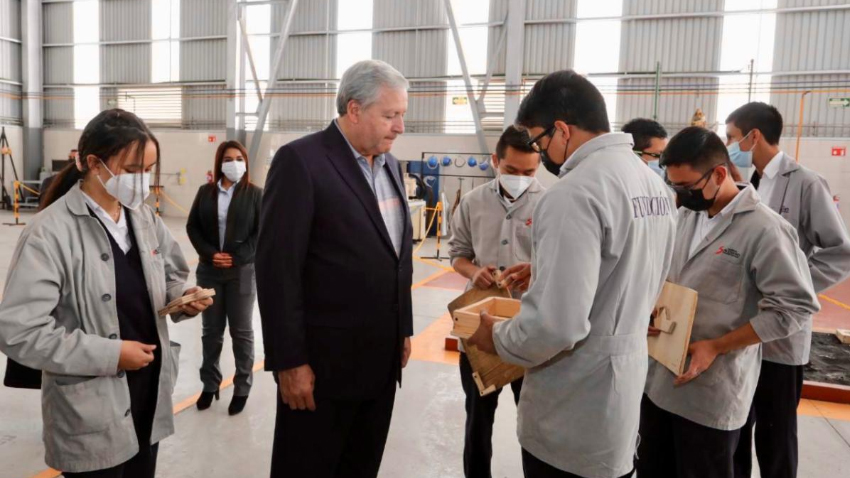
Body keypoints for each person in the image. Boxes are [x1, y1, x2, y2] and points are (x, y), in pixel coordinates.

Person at [467, 70, 677, 478]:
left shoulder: (573, 193)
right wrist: (547, 266)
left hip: (573, 405)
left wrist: (493, 336)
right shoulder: (651, 186)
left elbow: (555, 326)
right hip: (621, 387)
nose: (540, 151)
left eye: (539, 139)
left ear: (562, 129)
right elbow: (631, 272)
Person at [0, 109, 212, 477]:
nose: (142, 181)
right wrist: (110, 354)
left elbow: (169, 276)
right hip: (90, 409)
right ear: (94, 164)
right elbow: (19, 331)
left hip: (147, 393)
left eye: (148, 169)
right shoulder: (49, 233)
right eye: (132, 171)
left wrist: (184, 298)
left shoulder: (144, 218)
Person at [256, 59, 413, 478]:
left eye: (402, 115)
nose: (399, 127)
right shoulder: (301, 162)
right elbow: (277, 271)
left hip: (379, 366)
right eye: (390, 115)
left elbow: (398, 256)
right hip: (321, 373)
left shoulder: (392, 167)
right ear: (354, 109)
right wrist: (289, 362)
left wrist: (403, 328)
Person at [636, 126, 820, 478]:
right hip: (660, 383)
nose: (681, 195)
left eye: (687, 187)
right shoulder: (687, 215)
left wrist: (717, 346)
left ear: (719, 173)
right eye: (674, 186)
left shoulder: (765, 230)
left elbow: (794, 307)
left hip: (711, 392)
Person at [726, 102, 850, 478]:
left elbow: (839, 251)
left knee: (776, 434)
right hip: (743, 330)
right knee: (736, 426)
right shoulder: (748, 183)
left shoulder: (805, 182)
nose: (729, 144)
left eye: (732, 138)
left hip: (782, 336)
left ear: (754, 136)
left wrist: (793, 286)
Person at [448, 125, 542, 478]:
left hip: (528, 331)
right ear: (495, 161)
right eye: (512, 171)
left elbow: (562, 263)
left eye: (529, 172)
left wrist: (536, 270)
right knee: (478, 421)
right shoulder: (473, 202)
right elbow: (457, 254)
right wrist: (474, 272)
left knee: (534, 425)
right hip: (479, 329)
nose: (521, 179)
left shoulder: (550, 203)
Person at [186, 140, 262, 415]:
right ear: (220, 162)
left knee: (241, 332)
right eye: (229, 158)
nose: (235, 163)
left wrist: (238, 257)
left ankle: (242, 387)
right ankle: (210, 385)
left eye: (239, 158)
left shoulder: (255, 194)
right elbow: (192, 226)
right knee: (211, 332)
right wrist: (209, 253)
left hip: (241, 272)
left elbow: (261, 231)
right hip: (209, 271)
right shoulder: (205, 193)